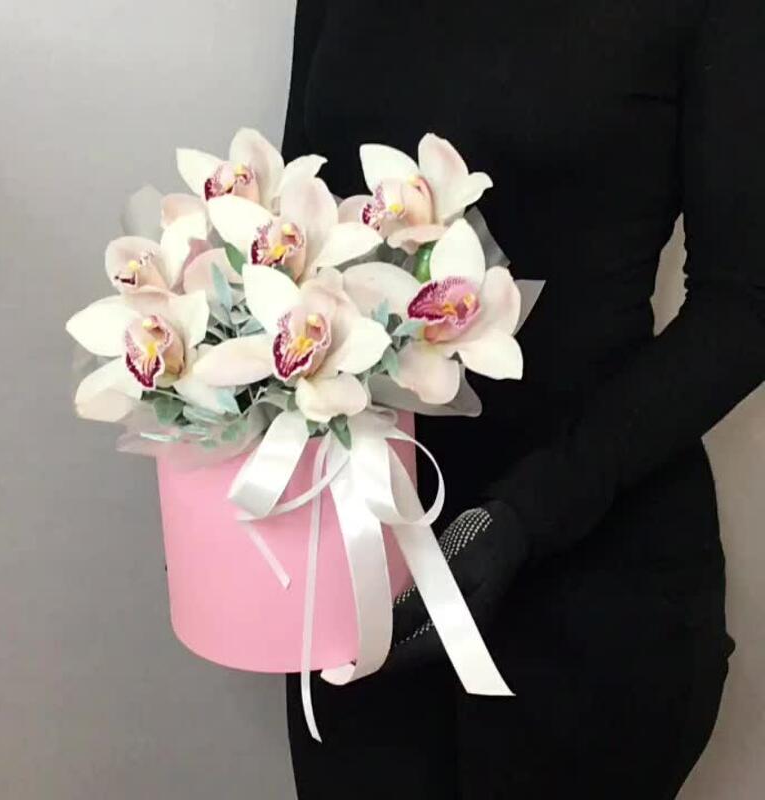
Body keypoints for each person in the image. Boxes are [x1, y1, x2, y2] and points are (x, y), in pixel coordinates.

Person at [281, 1, 764, 797]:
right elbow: (296, 232)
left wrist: (532, 511)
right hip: (368, 566)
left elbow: (744, 303)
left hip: (591, 573)